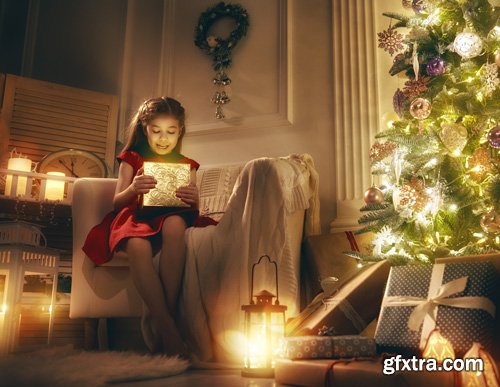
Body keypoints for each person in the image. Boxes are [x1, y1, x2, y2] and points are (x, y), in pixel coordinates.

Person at [82, 97, 216, 357]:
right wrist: (133, 188)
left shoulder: (188, 164)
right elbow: (117, 201)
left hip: (172, 215)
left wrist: (194, 200)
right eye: (156, 131)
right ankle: (168, 328)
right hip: (136, 217)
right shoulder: (131, 158)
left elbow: (192, 209)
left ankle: (162, 327)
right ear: (145, 130)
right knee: (136, 244)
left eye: (171, 132)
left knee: (176, 224)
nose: (163, 138)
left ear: (180, 133)